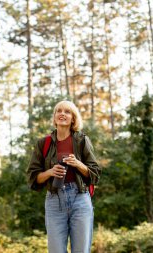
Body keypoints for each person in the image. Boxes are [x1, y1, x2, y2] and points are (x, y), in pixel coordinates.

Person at [27, 100, 101, 253]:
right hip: (54, 201)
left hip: (80, 199)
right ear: (54, 118)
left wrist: (77, 163)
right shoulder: (43, 143)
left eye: (67, 112)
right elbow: (33, 178)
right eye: (58, 111)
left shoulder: (82, 140)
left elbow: (95, 174)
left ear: (73, 118)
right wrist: (50, 172)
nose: (62, 113)